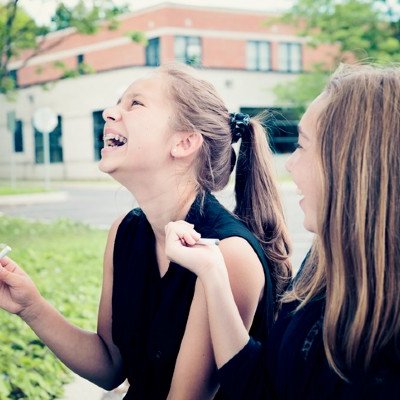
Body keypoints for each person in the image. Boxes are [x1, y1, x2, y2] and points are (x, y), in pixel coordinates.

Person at [0, 63, 291, 399]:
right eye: (118, 103)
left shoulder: (228, 255)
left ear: (184, 143)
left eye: (135, 104)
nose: (110, 112)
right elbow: (110, 366)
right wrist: (31, 306)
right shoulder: (124, 232)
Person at [165, 64, 400, 399]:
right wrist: (213, 274)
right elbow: (265, 386)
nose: (290, 164)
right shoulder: (320, 265)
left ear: (351, 165)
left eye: (302, 145)